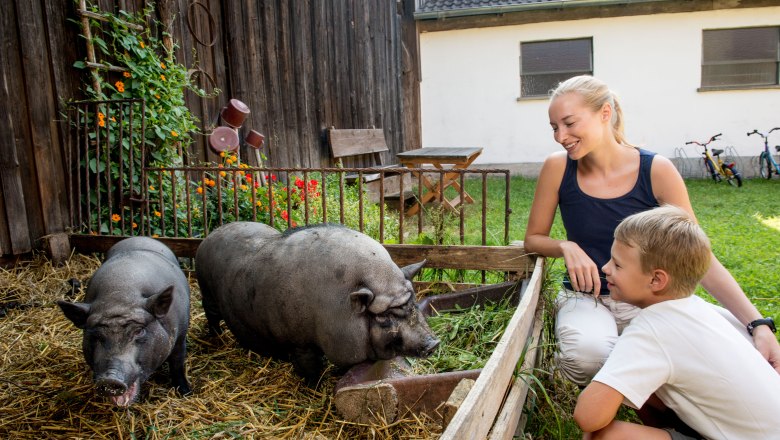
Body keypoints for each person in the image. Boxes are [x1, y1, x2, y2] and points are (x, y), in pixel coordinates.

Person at [523, 75, 780, 386]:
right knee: (589, 358)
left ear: (605, 113)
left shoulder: (656, 170)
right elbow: (533, 238)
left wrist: (757, 323)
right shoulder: (558, 167)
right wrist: (566, 246)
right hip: (586, 298)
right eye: (554, 127)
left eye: (569, 123)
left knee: (739, 345)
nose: (560, 136)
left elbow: (696, 255)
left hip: (649, 300)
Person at [574, 205, 780, 439]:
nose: (605, 268)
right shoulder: (702, 309)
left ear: (656, 279)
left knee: (603, 436)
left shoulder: (653, 329)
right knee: (645, 389)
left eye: (617, 264)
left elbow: (588, 417)